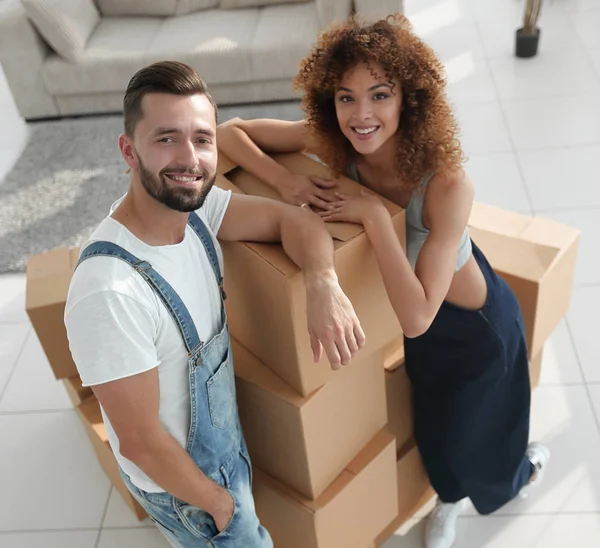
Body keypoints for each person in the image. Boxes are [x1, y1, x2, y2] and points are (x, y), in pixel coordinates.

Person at [216, 14, 550, 548]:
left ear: (408, 99)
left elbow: (418, 316)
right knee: (437, 425)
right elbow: (227, 132)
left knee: (482, 433)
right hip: (421, 327)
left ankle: (524, 471)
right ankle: (448, 497)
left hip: (473, 327)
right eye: (346, 98)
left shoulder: (446, 183)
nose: (361, 114)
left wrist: (373, 215)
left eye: (379, 95)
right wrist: (286, 180)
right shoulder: (340, 142)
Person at [64, 61, 365, 548]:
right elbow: (141, 443)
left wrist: (322, 281)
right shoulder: (109, 291)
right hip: (190, 494)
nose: (190, 159)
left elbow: (295, 222)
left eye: (202, 139)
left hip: (219, 455)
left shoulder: (196, 207)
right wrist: (222, 506)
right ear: (128, 149)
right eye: (166, 138)